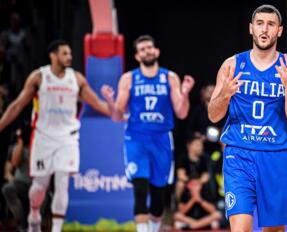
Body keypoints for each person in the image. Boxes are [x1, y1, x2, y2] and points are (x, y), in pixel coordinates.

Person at [208, 5, 287, 232]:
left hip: (275, 156)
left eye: (271, 25)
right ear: (251, 28)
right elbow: (213, 115)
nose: (264, 29)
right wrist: (225, 94)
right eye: (260, 23)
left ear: (279, 31)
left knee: (274, 230)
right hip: (238, 155)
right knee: (240, 228)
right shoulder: (232, 65)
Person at [0, 39, 114, 232]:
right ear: (53, 55)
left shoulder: (76, 79)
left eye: (70, 53)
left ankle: (57, 228)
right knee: (39, 188)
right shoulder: (39, 77)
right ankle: (34, 214)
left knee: (62, 183)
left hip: (68, 138)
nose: (69, 56)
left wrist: (117, 112)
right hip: (43, 137)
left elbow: (97, 103)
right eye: (64, 53)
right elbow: (17, 105)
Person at [101, 35, 195, 232]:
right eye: (142, 49)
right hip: (136, 139)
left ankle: (153, 228)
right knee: (140, 189)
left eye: (149, 48)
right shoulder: (128, 79)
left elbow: (182, 112)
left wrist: (185, 93)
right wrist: (110, 101)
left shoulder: (169, 77)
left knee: (158, 197)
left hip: (161, 140)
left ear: (157, 51)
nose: (147, 51)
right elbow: (117, 116)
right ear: (137, 56)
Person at [174, 133, 221, 230]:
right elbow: (181, 174)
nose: (200, 147)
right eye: (197, 145)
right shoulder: (183, 158)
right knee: (179, 185)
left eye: (201, 145)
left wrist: (199, 196)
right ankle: (197, 223)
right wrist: (192, 193)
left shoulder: (204, 159)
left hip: (200, 186)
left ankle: (195, 224)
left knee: (217, 215)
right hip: (188, 184)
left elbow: (206, 176)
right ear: (189, 146)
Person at [2, 125, 32, 232]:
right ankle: (22, 225)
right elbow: (14, 163)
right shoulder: (15, 147)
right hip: (21, 182)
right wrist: (20, 143)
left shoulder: (38, 147)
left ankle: (34, 225)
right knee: (7, 189)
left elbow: (33, 167)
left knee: (41, 192)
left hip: (37, 183)